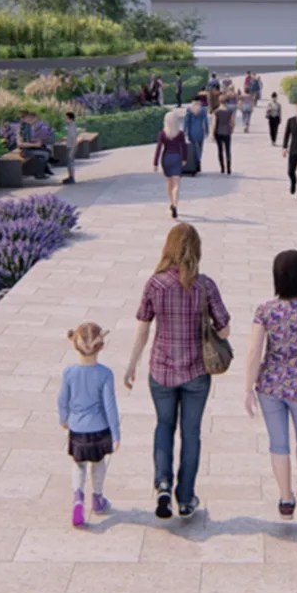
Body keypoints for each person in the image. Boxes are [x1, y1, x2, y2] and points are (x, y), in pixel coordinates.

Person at [123, 223, 230, 522]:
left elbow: (143, 329)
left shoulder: (154, 284)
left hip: (161, 370)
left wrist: (131, 364)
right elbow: (225, 328)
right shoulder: (205, 285)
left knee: (164, 426)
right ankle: (185, 499)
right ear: (196, 249)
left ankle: (162, 484)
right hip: (196, 371)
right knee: (191, 433)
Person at [243, 250, 297, 519]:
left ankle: (286, 498)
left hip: (270, 385)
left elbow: (254, 351)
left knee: (278, 443)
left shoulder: (265, 310)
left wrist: (247, 387)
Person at [58, 321, 120, 528]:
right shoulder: (105, 374)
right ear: (100, 347)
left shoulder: (69, 373)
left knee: (78, 464)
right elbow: (110, 405)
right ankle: (98, 497)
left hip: (77, 427)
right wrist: (116, 432)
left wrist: (63, 418)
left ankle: (78, 498)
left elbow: (62, 399)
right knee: (99, 462)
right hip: (99, 427)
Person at [153, 108, 189, 219]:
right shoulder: (180, 134)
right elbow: (184, 147)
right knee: (177, 183)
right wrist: (184, 159)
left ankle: (171, 202)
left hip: (166, 158)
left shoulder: (162, 134)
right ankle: (175, 204)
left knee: (169, 182)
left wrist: (155, 163)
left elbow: (159, 148)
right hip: (177, 158)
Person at [18, 110, 55, 178]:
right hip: (25, 151)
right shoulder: (23, 127)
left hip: (30, 149)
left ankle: (40, 172)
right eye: (34, 119)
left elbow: (29, 139)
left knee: (46, 152)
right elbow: (20, 144)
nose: (35, 121)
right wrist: (35, 145)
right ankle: (39, 174)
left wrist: (37, 140)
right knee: (45, 154)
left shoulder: (28, 126)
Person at [183, 95, 209, 177]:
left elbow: (186, 121)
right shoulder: (202, 110)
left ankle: (194, 163)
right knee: (200, 148)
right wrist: (207, 131)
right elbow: (206, 121)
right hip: (200, 131)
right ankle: (199, 160)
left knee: (193, 148)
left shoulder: (189, 109)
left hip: (191, 131)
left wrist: (185, 131)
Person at [211, 96, 236, 175]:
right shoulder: (230, 111)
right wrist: (231, 130)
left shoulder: (216, 112)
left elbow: (214, 123)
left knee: (220, 150)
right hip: (227, 131)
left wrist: (212, 133)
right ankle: (229, 168)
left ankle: (222, 168)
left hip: (218, 132)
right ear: (226, 102)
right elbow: (233, 122)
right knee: (228, 150)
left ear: (219, 101)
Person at [61, 110, 81, 186]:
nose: (65, 120)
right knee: (69, 163)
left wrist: (71, 151)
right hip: (71, 146)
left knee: (70, 163)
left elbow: (74, 140)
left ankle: (71, 178)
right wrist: (65, 139)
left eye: (66, 118)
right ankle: (70, 177)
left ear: (70, 119)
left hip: (72, 147)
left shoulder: (72, 127)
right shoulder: (71, 126)